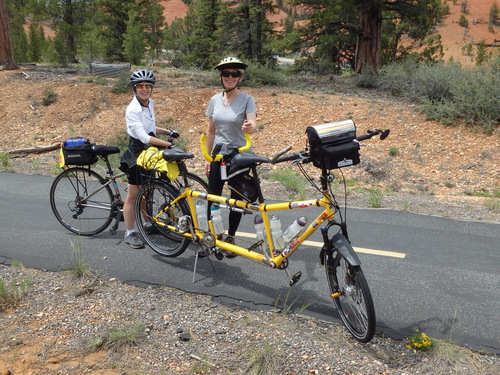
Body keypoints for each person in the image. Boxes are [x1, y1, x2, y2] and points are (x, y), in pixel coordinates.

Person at [204, 57, 258, 255]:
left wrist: (250, 127)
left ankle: (231, 237)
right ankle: (214, 236)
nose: (230, 77)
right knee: (213, 197)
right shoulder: (214, 100)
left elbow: (253, 123)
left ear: (240, 77)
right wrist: (208, 158)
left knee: (237, 198)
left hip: (239, 155)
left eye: (234, 74)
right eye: (226, 73)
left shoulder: (247, 99)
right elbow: (210, 130)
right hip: (219, 155)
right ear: (221, 76)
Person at [120, 69, 178, 249]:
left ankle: (148, 223)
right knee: (133, 195)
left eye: (148, 86)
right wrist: (167, 145)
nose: (144, 89)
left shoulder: (148, 102)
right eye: (140, 86)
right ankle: (129, 232)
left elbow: (150, 127)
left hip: (149, 153)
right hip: (136, 155)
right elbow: (144, 137)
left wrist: (168, 132)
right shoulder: (132, 110)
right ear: (134, 88)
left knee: (147, 191)